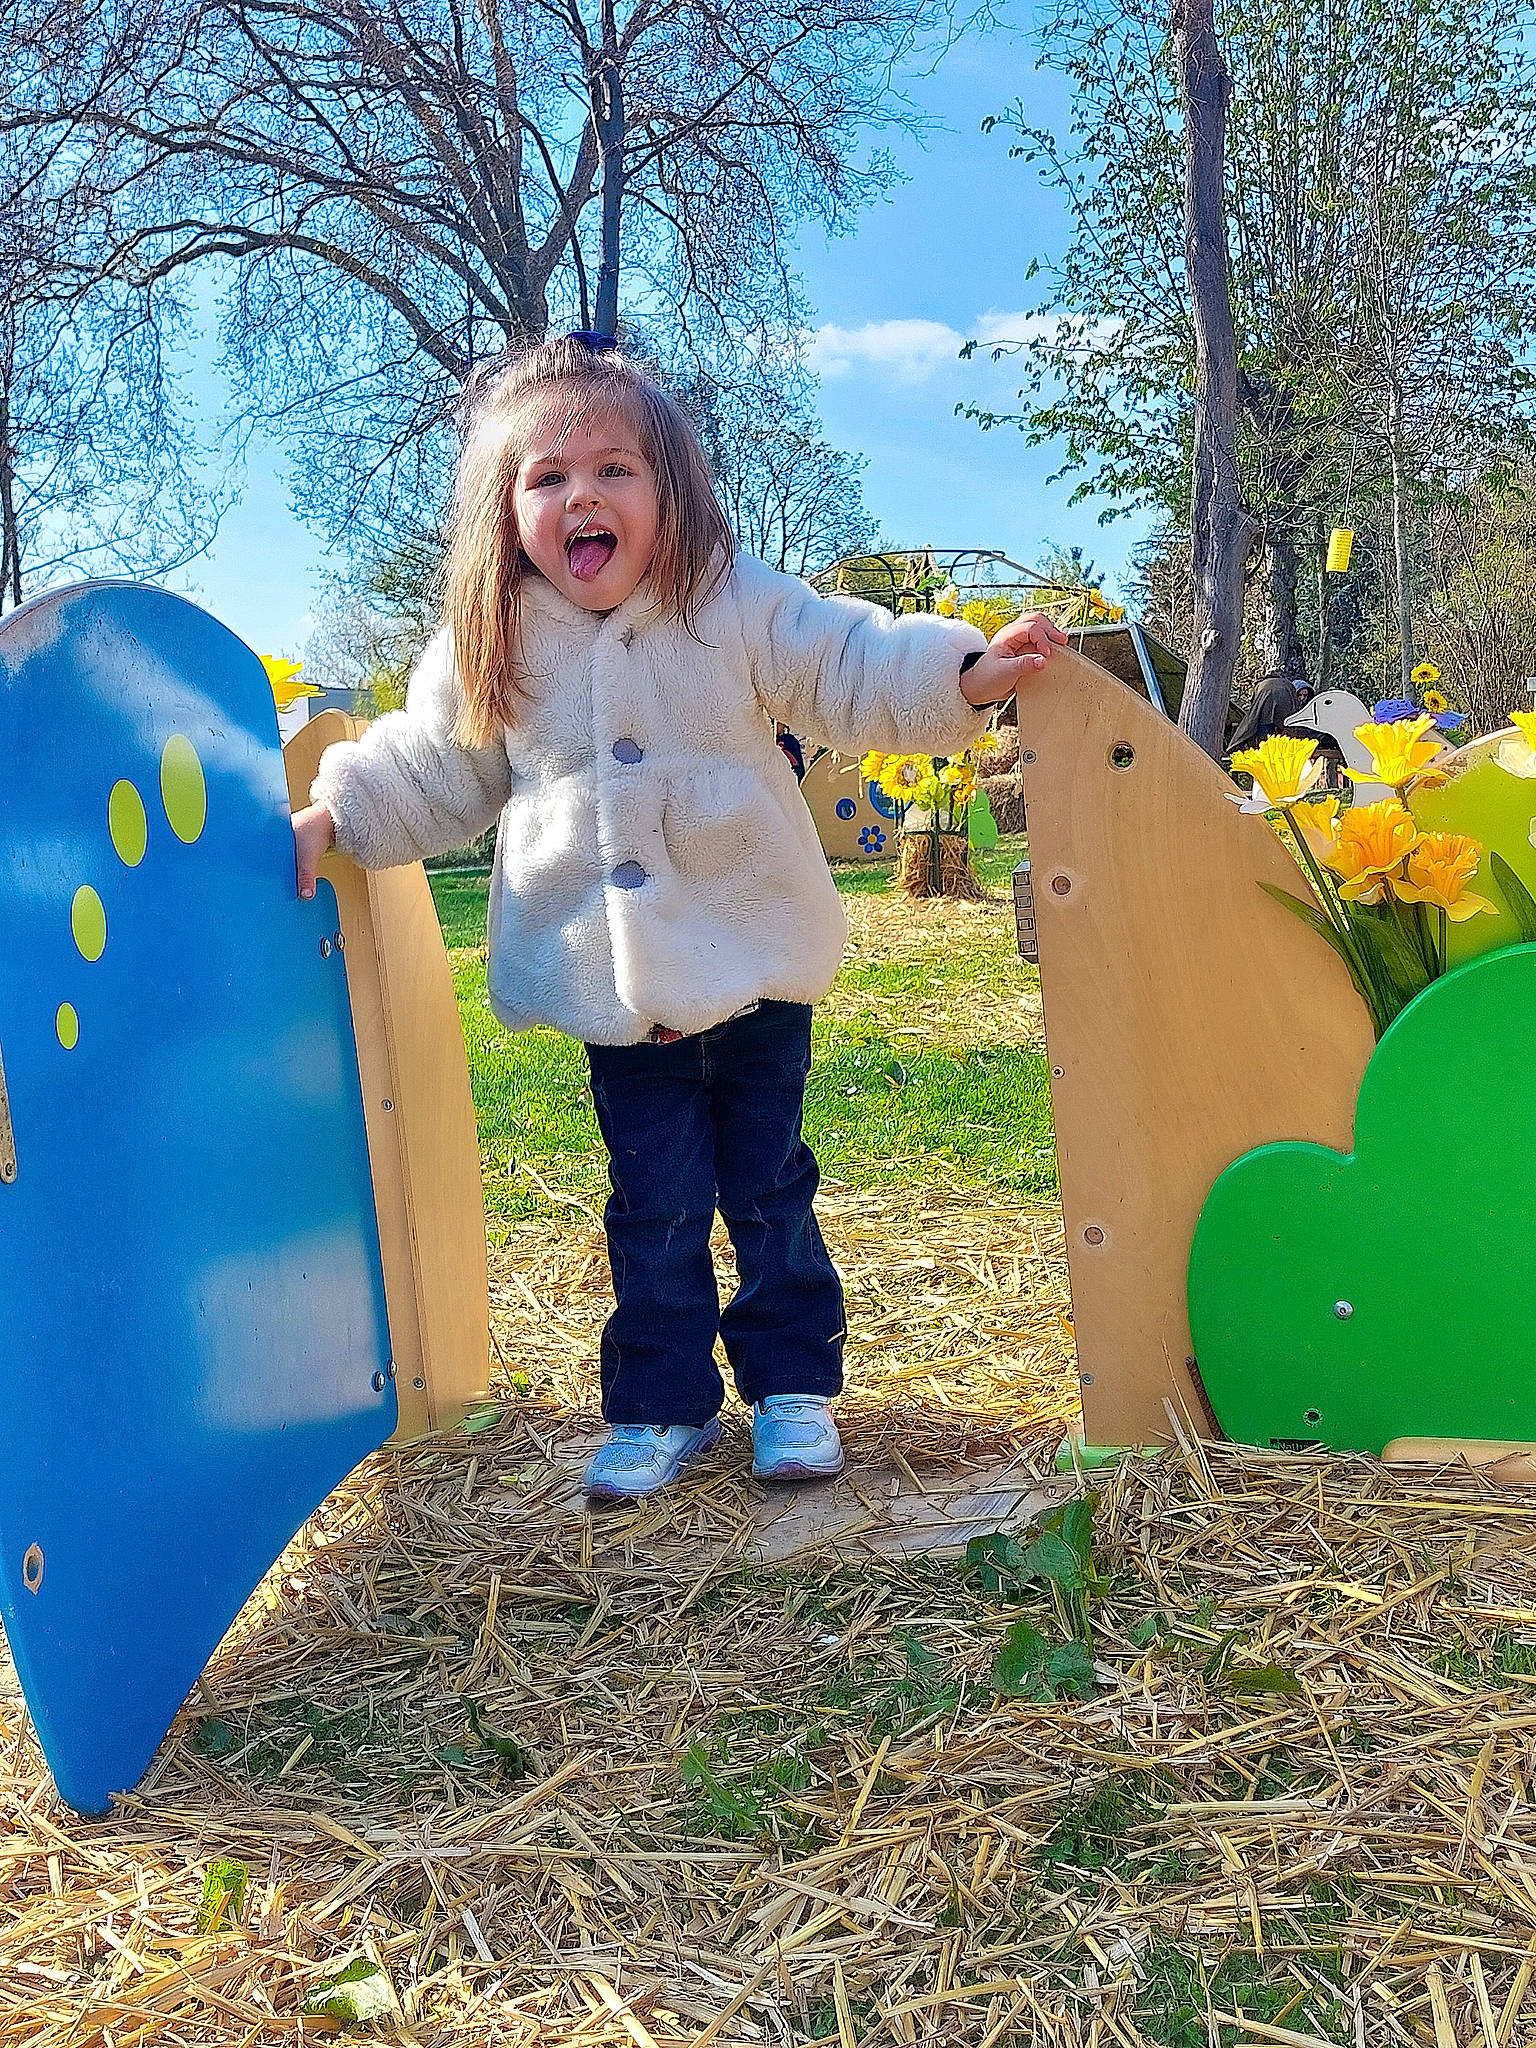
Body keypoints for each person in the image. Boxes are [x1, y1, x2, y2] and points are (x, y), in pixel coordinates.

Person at [292, 336, 1068, 1502]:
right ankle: (661, 1403)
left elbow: (847, 662)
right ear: (506, 512)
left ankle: (792, 1386)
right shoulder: (491, 640)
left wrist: (960, 673)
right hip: (616, 991)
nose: (581, 496)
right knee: (651, 1204)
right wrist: (338, 812)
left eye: (615, 470)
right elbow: (433, 769)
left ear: (672, 491)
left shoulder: (731, 604)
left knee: (768, 1186)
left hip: (752, 968)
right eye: (546, 478)